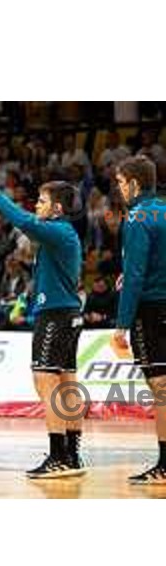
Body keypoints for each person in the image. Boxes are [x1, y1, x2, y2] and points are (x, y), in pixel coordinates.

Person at [0, 171, 85, 477]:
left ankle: (58, 456)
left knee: (47, 383)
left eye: (41, 201)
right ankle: (71, 455)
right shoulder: (64, 233)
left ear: (56, 209)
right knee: (66, 384)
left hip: (55, 315)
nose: (36, 206)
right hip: (66, 314)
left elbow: (24, 222)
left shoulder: (58, 230)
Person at [112, 156, 166, 484]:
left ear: (133, 183)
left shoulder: (136, 217)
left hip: (152, 310)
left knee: (160, 388)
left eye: (120, 183)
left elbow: (135, 275)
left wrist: (121, 325)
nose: (119, 190)